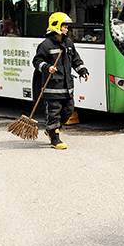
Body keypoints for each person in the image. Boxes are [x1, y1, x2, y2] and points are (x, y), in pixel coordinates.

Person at [32, 12, 89, 149]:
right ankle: (55, 139)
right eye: (64, 25)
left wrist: (82, 70)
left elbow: (76, 60)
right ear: (56, 25)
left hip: (67, 86)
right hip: (52, 87)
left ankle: (51, 129)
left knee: (69, 110)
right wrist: (47, 67)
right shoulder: (46, 45)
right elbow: (37, 61)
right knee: (54, 112)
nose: (66, 28)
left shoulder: (68, 43)